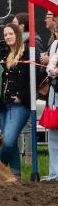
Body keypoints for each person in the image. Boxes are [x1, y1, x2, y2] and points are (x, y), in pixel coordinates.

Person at [0, 23, 32, 178]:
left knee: (7, 141)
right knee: (10, 142)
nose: (7, 37)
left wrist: (22, 96)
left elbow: (34, 78)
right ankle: (15, 175)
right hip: (2, 104)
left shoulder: (27, 53)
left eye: (10, 33)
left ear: (17, 34)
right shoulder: (2, 53)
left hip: (19, 104)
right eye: (5, 34)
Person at [44, 25, 58, 181]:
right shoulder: (55, 44)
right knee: (53, 133)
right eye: (56, 31)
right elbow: (49, 68)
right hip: (55, 91)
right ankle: (54, 173)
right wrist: (52, 71)